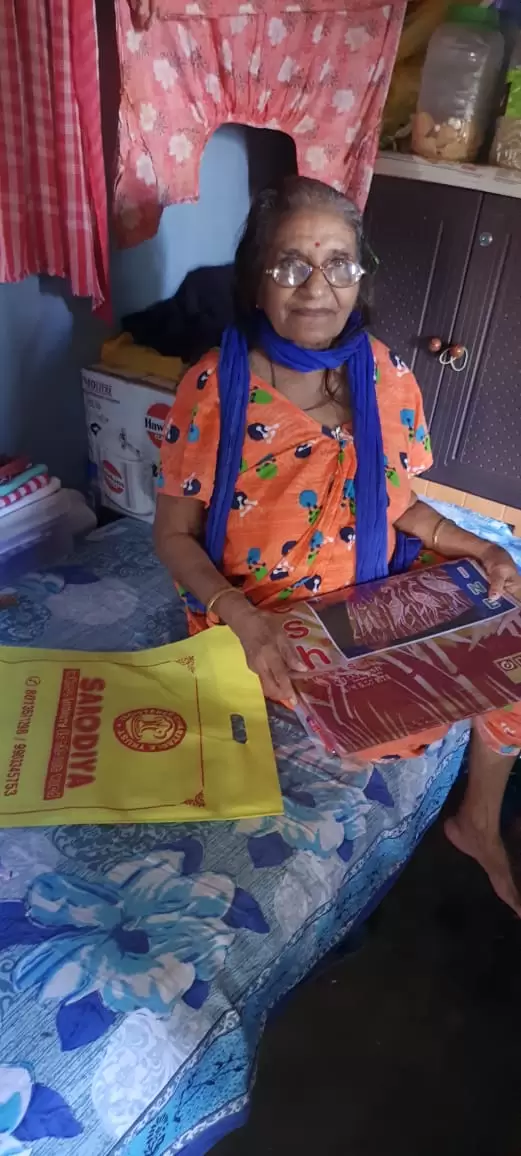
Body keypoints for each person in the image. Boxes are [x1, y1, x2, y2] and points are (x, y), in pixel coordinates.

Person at [155, 175, 521, 915]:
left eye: (338, 264)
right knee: (381, 727)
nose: (316, 287)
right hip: (267, 612)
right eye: (291, 263)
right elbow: (171, 535)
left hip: (372, 581)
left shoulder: (385, 375)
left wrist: (475, 548)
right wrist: (243, 620)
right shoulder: (215, 387)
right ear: (257, 280)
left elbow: (397, 502)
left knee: (511, 631)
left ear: (360, 277)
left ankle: (477, 822)